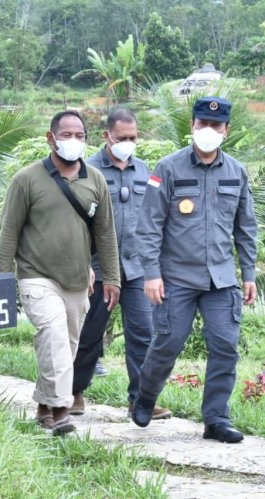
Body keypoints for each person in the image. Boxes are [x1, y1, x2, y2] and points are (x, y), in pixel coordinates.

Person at [132, 97, 257, 444]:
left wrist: (249, 273)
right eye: (202, 124)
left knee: (225, 346)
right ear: (192, 125)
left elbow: (245, 228)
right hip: (176, 278)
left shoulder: (237, 172)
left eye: (216, 126)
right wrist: (152, 274)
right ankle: (145, 395)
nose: (208, 131)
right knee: (168, 343)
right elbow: (149, 226)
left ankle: (216, 418)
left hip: (221, 279)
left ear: (226, 130)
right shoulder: (167, 169)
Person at [0, 110, 121, 435]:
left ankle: (43, 405)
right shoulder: (26, 179)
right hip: (37, 276)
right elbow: (9, 233)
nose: (73, 141)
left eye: (79, 135)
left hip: (79, 279)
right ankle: (62, 411)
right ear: (50, 139)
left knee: (64, 345)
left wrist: (112, 277)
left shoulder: (95, 179)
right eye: (66, 135)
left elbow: (106, 233)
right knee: (53, 337)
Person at [70, 107, 171, 420]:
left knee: (143, 333)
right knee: (89, 333)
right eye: (122, 137)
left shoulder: (146, 172)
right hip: (99, 268)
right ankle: (74, 392)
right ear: (107, 137)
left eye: (133, 137)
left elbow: (156, 216)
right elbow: (77, 221)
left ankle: (141, 400)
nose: (128, 142)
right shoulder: (86, 171)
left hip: (137, 267)